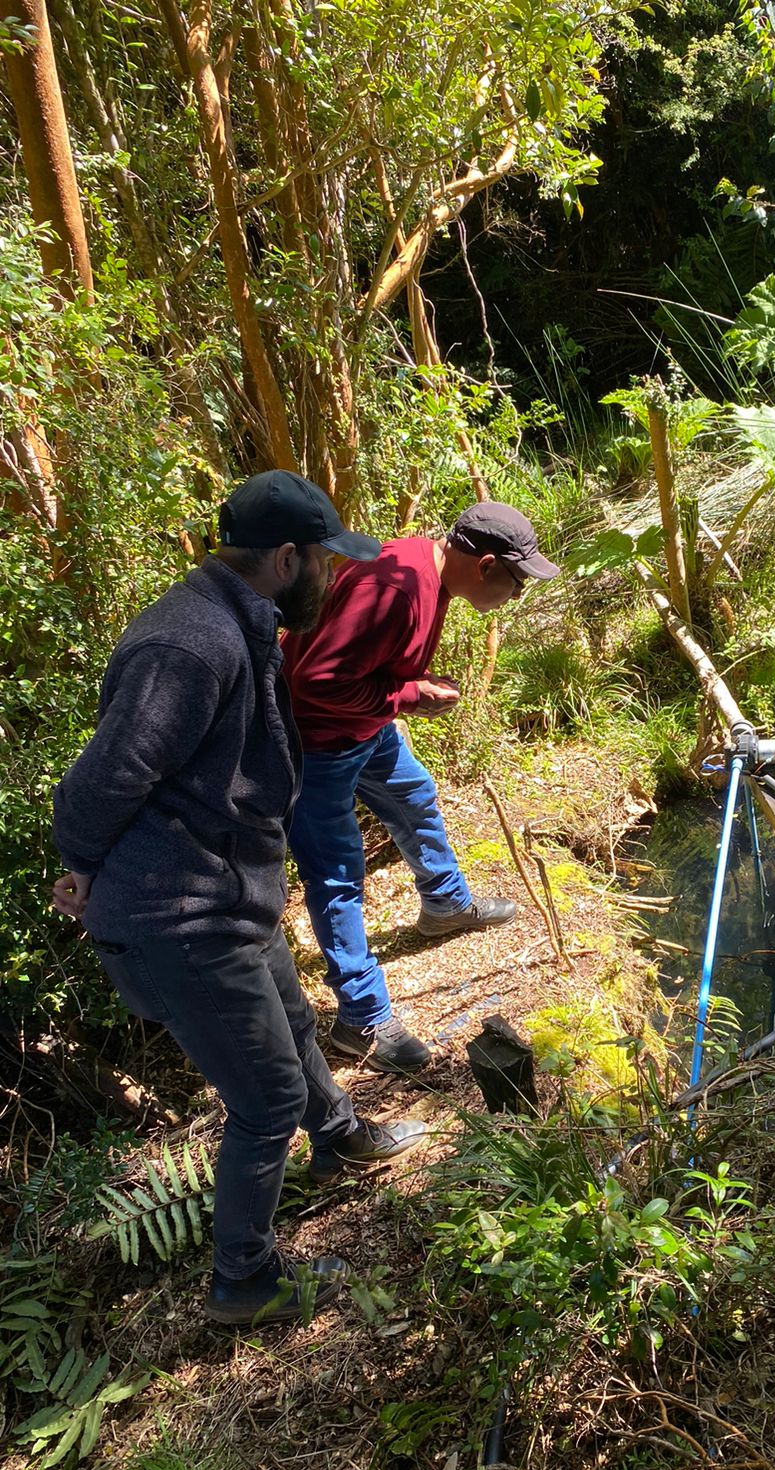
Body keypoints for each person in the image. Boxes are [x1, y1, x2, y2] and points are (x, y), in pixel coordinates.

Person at [52, 470, 426, 1328]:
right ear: (286, 557)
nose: (336, 579)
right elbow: (102, 782)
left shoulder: (238, 621)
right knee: (265, 1103)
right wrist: (82, 866)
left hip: (227, 894)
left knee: (294, 1024)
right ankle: (244, 1280)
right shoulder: (189, 645)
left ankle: (341, 1140)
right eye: (326, 563)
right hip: (178, 918)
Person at [283, 502, 560, 1074]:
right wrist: (411, 698)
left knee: (414, 797)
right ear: (485, 566)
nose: (513, 598)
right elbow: (312, 680)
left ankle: (445, 904)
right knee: (336, 874)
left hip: (367, 727)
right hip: (317, 743)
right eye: (514, 584)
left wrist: (409, 686)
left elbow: (363, 661)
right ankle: (361, 1020)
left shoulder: (426, 567)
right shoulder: (397, 588)